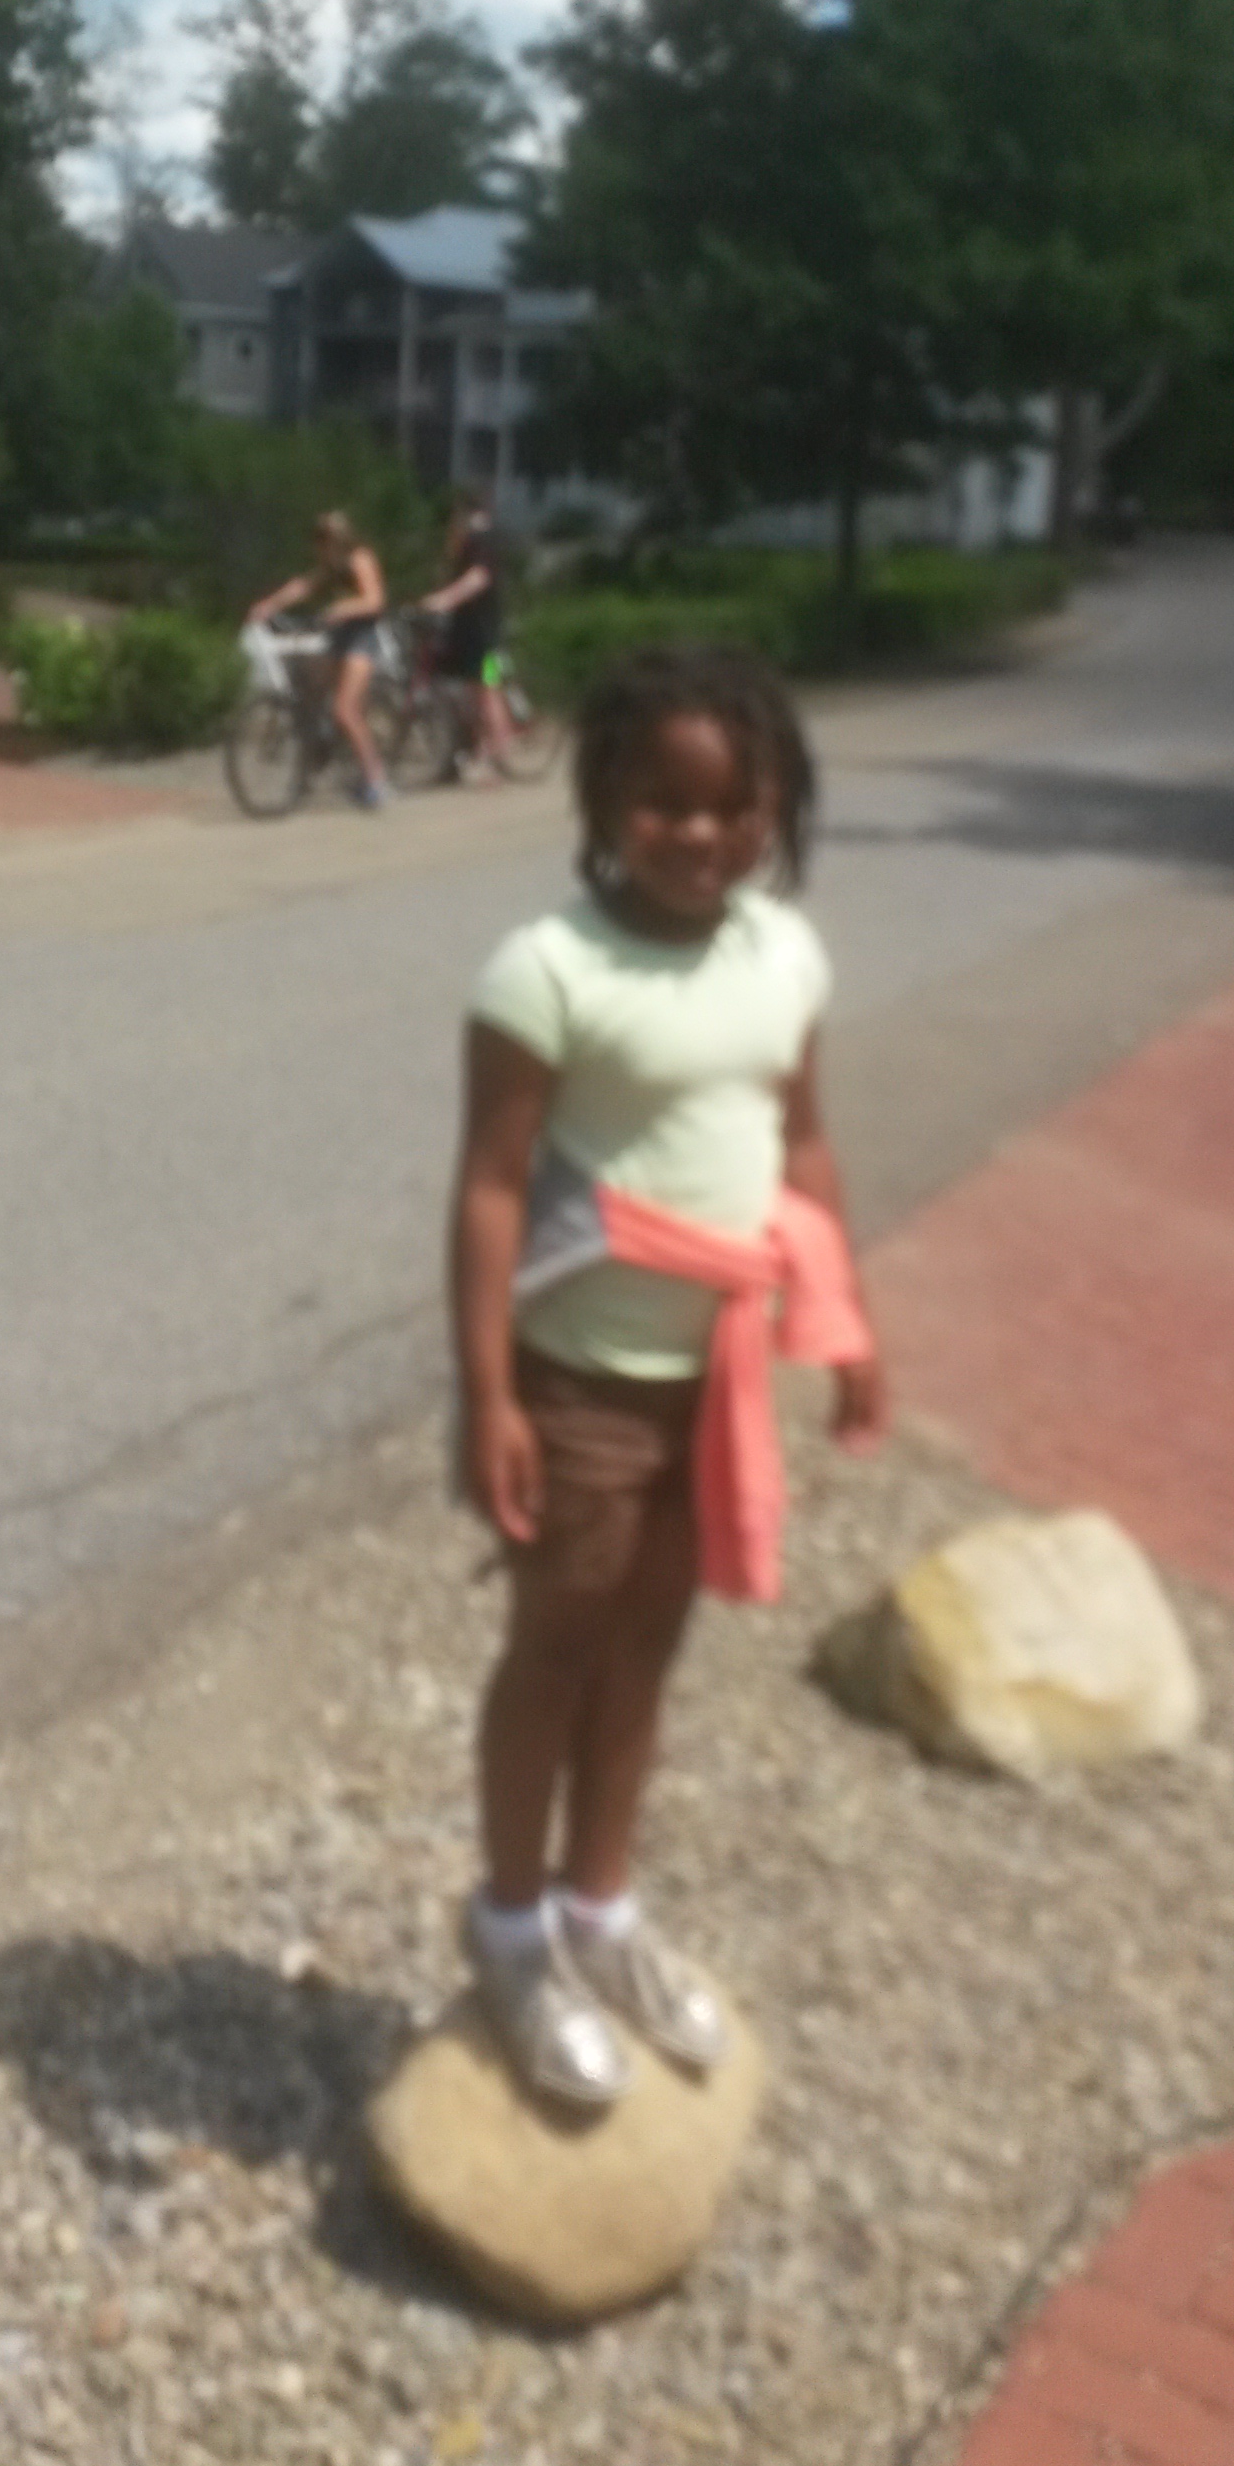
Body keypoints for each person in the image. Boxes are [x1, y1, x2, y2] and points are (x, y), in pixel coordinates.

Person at [447, 644, 886, 2106]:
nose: (699, 833)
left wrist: (854, 1328)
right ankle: (511, 1932)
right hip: (581, 1386)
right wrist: (490, 1394)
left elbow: (802, 1143)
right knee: (555, 1648)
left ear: (776, 809)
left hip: (720, 1386)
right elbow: (490, 1189)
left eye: (732, 805)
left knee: (648, 1648)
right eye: (664, 802)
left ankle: (601, 1907)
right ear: (604, 803)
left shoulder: (786, 957)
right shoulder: (547, 972)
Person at [246, 510, 391, 808]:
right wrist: (269, 605)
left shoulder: (360, 559)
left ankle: (376, 779)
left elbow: (375, 600)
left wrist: (342, 608)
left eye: (324, 540)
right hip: (338, 638)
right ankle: (315, 761)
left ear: (338, 539)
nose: (320, 547)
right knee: (309, 691)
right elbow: (302, 586)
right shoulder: (330, 566)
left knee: (345, 710)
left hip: (362, 640)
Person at [418, 489, 510, 777]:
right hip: (470, 634)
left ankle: (497, 759)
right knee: (477, 694)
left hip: (486, 636)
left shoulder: (483, 540)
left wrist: (445, 599)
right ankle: (482, 751)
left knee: (489, 692)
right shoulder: (468, 542)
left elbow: (478, 579)